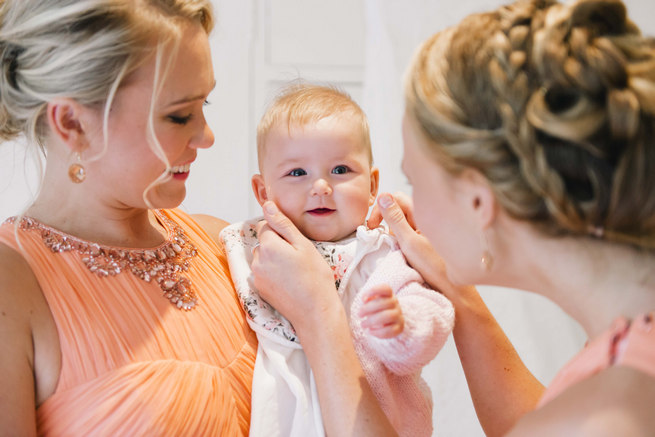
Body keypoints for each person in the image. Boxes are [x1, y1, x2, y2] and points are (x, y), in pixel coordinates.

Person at [250, 0, 655, 435]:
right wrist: (457, 290)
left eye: (414, 181)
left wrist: (320, 315)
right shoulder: (622, 348)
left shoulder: (612, 412)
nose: (404, 203)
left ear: (478, 202)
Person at [0, 0, 261, 434]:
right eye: (178, 115)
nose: (207, 135)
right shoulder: (12, 291)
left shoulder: (225, 247)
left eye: (205, 105)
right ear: (72, 123)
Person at [220, 83, 454, 437]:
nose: (321, 187)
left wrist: (401, 324)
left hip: (373, 419)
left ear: (373, 184)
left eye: (341, 170)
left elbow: (434, 313)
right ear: (263, 192)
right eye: (297, 173)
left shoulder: (383, 254)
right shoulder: (252, 247)